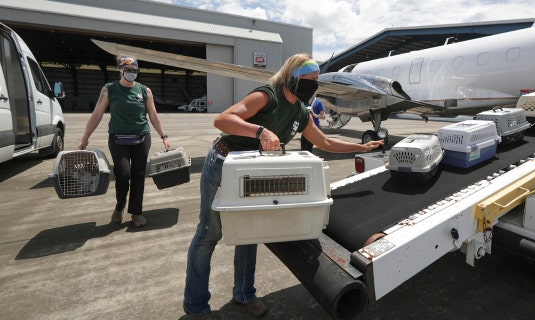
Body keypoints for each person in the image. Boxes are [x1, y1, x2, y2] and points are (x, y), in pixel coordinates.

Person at [180, 54, 383, 320]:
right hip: (223, 163)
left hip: (252, 173)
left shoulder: (300, 110)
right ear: (291, 77)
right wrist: (260, 132)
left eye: (315, 81)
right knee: (209, 234)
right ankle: (196, 306)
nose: (313, 86)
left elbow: (325, 142)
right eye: (308, 80)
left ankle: (244, 294)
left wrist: (361, 147)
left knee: (248, 233)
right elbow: (223, 120)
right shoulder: (266, 96)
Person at [78, 55, 171, 228]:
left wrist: (164, 136)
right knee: (123, 174)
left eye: (134, 70)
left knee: (139, 175)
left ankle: (136, 212)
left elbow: (153, 115)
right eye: (128, 70)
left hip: (141, 138)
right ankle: (120, 206)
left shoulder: (145, 91)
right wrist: (85, 138)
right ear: (120, 70)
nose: (131, 73)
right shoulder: (109, 89)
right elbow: (97, 114)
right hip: (118, 139)